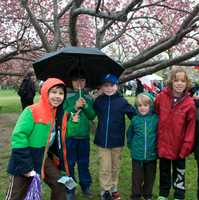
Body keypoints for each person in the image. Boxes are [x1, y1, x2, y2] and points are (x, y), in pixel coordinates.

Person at [5, 78, 68, 200]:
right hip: (25, 158)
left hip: (43, 157)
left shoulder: (58, 114)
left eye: (61, 93)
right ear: (45, 92)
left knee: (60, 183)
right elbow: (19, 137)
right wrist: (26, 167)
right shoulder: (31, 111)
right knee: (16, 195)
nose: (57, 96)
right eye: (54, 92)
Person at [155, 67, 196, 200]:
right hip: (164, 143)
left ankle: (179, 193)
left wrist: (187, 146)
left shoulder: (189, 103)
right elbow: (156, 113)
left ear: (187, 83)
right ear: (171, 82)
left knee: (180, 171)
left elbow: (191, 127)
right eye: (176, 80)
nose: (179, 83)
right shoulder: (161, 97)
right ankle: (163, 193)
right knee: (164, 170)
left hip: (180, 145)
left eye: (182, 81)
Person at [93, 74, 135, 200]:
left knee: (115, 166)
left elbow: (133, 115)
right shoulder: (99, 101)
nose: (109, 88)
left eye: (112, 85)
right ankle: (105, 190)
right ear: (102, 87)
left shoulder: (122, 102)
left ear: (117, 86)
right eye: (106, 86)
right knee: (105, 167)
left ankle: (114, 188)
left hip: (117, 141)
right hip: (102, 141)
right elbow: (91, 113)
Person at [63, 69, 96, 199]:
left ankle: (85, 185)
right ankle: (70, 188)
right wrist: (74, 107)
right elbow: (63, 114)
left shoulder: (88, 97)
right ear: (71, 82)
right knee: (69, 164)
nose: (79, 83)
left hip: (83, 137)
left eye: (82, 80)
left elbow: (92, 115)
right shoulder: (67, 96)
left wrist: (86, 106)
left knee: (83, 163)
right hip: (69, 137)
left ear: (86, 81)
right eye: (76, 80)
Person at [127, 92, 158, 200]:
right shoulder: (135, 120)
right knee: (137, 177)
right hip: (137, 155)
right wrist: (132, 146)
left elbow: (159, 134)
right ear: (136, 107)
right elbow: (129, 134)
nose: (142, 108)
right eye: (139, 106)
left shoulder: (155, 119)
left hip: (152, 154)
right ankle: (136, 195)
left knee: (150, 176)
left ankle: (147, 194)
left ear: (151, 106)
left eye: (145, 105)